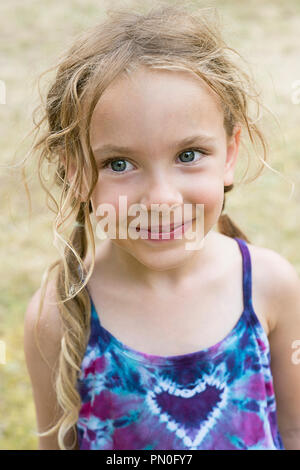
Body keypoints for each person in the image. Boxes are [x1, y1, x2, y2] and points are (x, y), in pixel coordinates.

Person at [23, 2, 300, 450]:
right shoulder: (56, 316)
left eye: (188, 155)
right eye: (119, 163)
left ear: (229, 154)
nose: (161, 199)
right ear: (74, 171)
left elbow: (293, 429)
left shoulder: (272, 287)